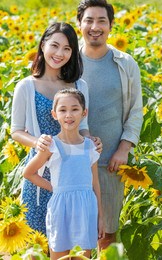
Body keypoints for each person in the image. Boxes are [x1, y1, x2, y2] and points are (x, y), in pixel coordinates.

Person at [11, 22, 101, 236]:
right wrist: (37, 142)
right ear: (43, 45)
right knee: (37, 242)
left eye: (67, 48)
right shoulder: (26, 86)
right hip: (40, 174)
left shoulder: (80, 86)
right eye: (55, 45)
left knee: (71, 243)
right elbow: (16, 131)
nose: (60, 53)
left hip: (73, 174)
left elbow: (84, 128)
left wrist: (92, 141)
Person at [77, 0, 143, 249]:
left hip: (110, 162)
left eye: (101, 21)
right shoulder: (69, 63)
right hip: (73, 161)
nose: (95, 26)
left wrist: (124, 149)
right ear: (79, 24)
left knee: (107, 233)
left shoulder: (125, 64)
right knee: (75, 233)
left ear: (111, 25)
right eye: (89, 20)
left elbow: (135, 110)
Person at [23, 88, 104, 260]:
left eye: (75, 109)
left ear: (84, 113)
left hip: (86, 211)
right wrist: (55, 188)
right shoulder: (51, 145)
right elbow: (28, 173)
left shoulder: (91, 147)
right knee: (59, 257)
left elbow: (95, 184)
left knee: (81, 257)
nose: (69, 114)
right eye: (63, 110)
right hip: (60, 210)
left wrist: (100, 218)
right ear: (54, 114)